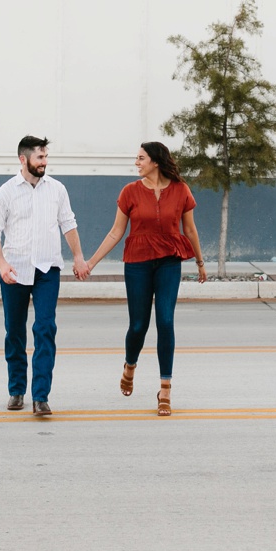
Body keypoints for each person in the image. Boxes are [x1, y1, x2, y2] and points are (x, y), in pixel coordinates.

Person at [79, 141, 206, 416]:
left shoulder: (181, 190)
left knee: (166, 321)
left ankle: (165, 389)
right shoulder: (130, 192)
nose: (136, 163)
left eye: (141, 158)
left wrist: (199, 262)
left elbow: (190, 230)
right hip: (137, 263)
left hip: (169, 262)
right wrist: (91, 263)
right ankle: (130, 365)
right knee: (138, 325)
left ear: (155, 162)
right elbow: (116, 232)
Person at [0, 135, 86, 416]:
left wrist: (78, 257)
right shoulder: (5, 192)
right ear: (23, 159)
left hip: (47, 270)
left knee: (45, 328)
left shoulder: (57, 189)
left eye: (46, 157)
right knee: (14, 332)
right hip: (14, 271)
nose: (44, 162)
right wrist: (2, 265)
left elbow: (68, 224)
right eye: (39, 157)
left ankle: (41, 397)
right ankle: (17, 391)